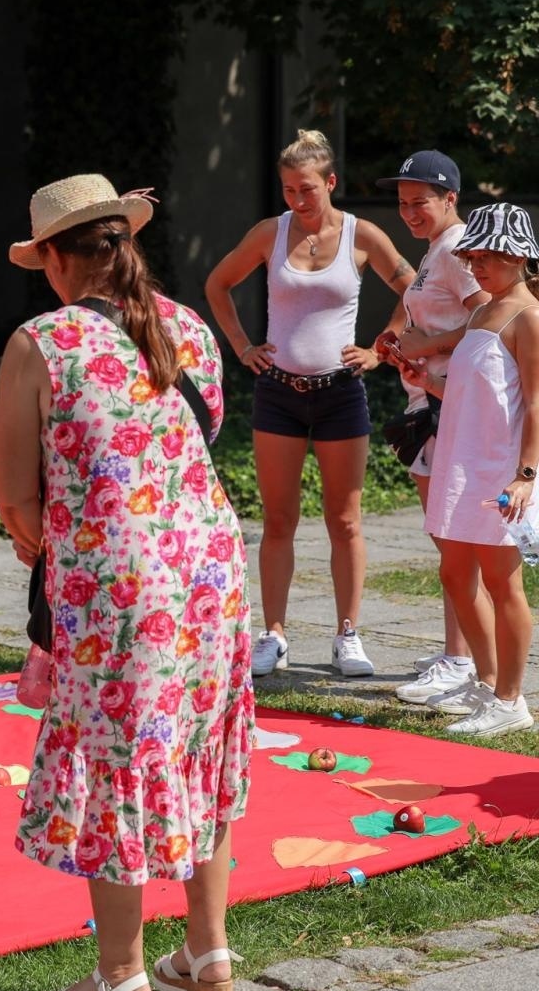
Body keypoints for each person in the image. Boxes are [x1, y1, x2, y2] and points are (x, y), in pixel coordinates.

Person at [0, 174, 254, 991]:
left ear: (59, 260)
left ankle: (119, 985)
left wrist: (44, 541)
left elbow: (16, 492)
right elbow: (191, 446)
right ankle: (209, 962)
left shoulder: (39, 342)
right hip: (210, 575)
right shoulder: (188, 329)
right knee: (195, 750)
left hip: (117, 589)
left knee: (116, 770)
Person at [205, 129, 415, 678]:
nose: (297, 201)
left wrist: (380, 350)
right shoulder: (269, 234)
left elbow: (412, 291)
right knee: (279, 520)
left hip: (341, 394)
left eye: (306, 190)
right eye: (288, 190)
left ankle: (348, 634)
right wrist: (243, 347)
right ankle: (273, 633)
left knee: (344, 520)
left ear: (330, 183)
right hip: (278, 393)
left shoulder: (361, 234)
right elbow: (217, 284)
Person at [398, 202, 539, 737]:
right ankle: (486, 683)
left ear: (518, 257)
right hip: (460, 461)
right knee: (455, 574)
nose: (476, 265)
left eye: (487, 257)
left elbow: (535, 402)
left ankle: (511, 698)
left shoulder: (529, 317)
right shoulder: (482, 313)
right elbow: (467, 390)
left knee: (504, 585)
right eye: (471, 255)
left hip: (497, 470)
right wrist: (423, 377)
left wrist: (525, 475)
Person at [374, 151, 492, 705]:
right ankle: (459, 652)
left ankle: (462, 660)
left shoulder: (456, 251)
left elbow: (494, 313)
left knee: (455, 544)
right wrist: (403, 344)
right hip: (432, 405)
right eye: (402, 204)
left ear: (450, 198)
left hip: (454, 410)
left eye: (419, 202)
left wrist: (431, 345)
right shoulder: (436, 250)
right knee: (448, 540)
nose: (409, 213)